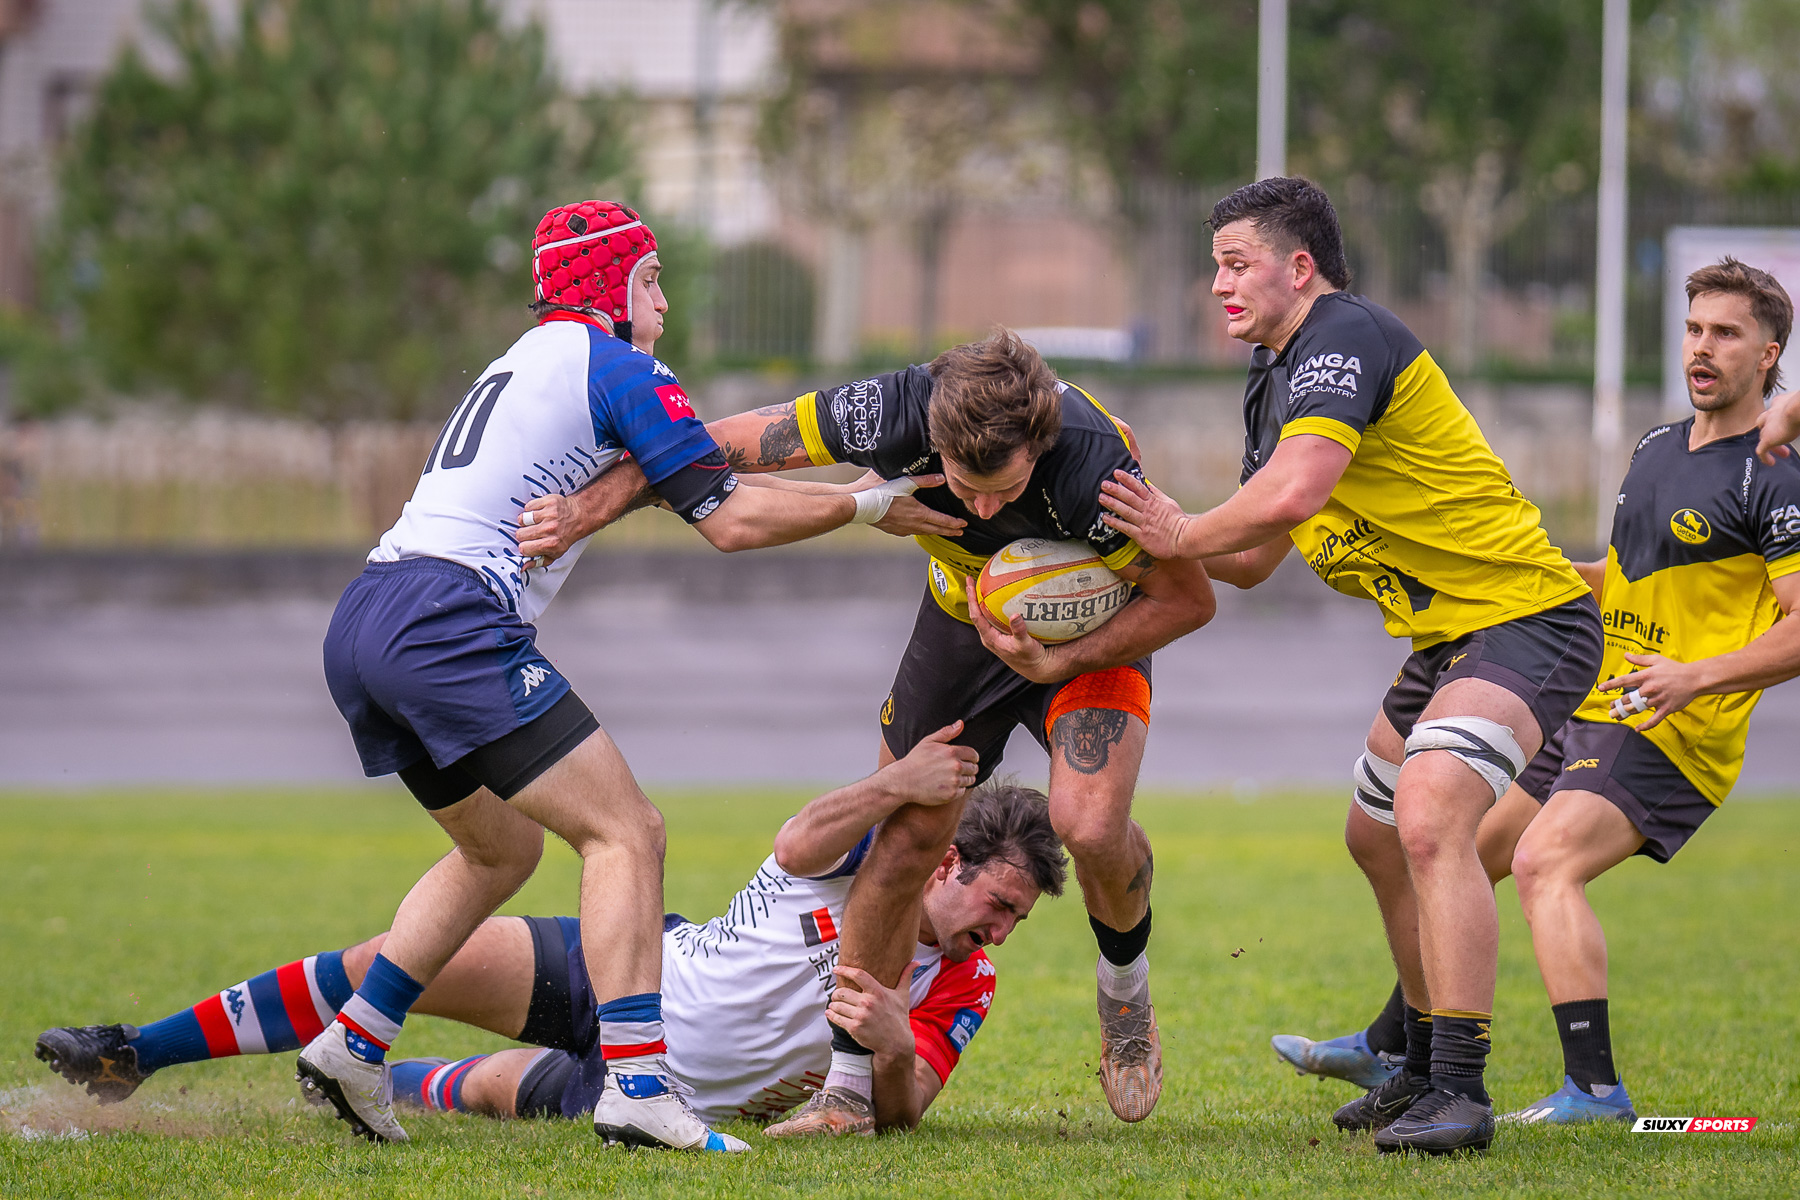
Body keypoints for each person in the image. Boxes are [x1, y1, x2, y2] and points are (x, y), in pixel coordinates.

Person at [294, 201, 938, 1151]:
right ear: (610, 285)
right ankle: (637, 1085)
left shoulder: (527, 358)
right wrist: (870, 505)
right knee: (627, 832)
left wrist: (857, 501)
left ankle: (355, 1044)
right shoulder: (619, 366)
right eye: (652, 280)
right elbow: (731, 520)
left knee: (501, 852)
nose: (664, 304)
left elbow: (695, 483)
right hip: (447, 620)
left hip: (367, 614)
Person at [513, 329, 1217, 1129]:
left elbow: (1190, 600)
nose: (985, 509)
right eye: (967, 487)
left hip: (1094, 633)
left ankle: (1125, 992)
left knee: (1086, 825)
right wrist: (584, 510)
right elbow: (707, 446)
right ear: (934, 442)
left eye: (1005, 488)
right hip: (964, 619)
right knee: (907, 838)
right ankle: (847, 1092)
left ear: (1039, 446)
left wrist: (1056, 662)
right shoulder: (891, 410)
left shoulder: (1094, 464)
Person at [1099, 177, 1603, 1155]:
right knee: (1374, 836)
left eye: (1236, 264)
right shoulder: (1273, 379)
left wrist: (1180, 527)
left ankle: (1460, 1088)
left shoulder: (1343, 335)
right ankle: (1414, 1059)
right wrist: (1124, 537)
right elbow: (1252, 558)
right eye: (1213, 266)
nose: (1218, 285)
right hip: (1447, 641)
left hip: (1528, 618)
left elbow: (1294, 493)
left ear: (1299, 267)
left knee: (1430, 816)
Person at [1271, 257, 1800, 1127]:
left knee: (1545, 861)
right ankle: (1396, 1043)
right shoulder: (1656, 449)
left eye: (1727, 334)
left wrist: (1693, 676)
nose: (1702, 348)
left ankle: (1594, 1091)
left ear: (1769, 354)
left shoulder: (1774, 475)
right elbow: (1622, 577)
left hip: (1676, 724)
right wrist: (1525, 575)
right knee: (1463, 852)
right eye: (1694, 329)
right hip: (1597, 702)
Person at [37, 750, 1063, 1135]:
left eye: (1016, 920)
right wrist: (894, 784)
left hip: (655, 1093)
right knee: (389, 964)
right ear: (946, 863)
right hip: (627, 969)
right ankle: (136, 1052)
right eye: (1001, 904)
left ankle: (370, 1085)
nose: (1002, 932)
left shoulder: (963, 982)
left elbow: (905, 1111)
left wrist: (891, 1044)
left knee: (483, 1091)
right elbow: (797, 839)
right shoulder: (869, 858)